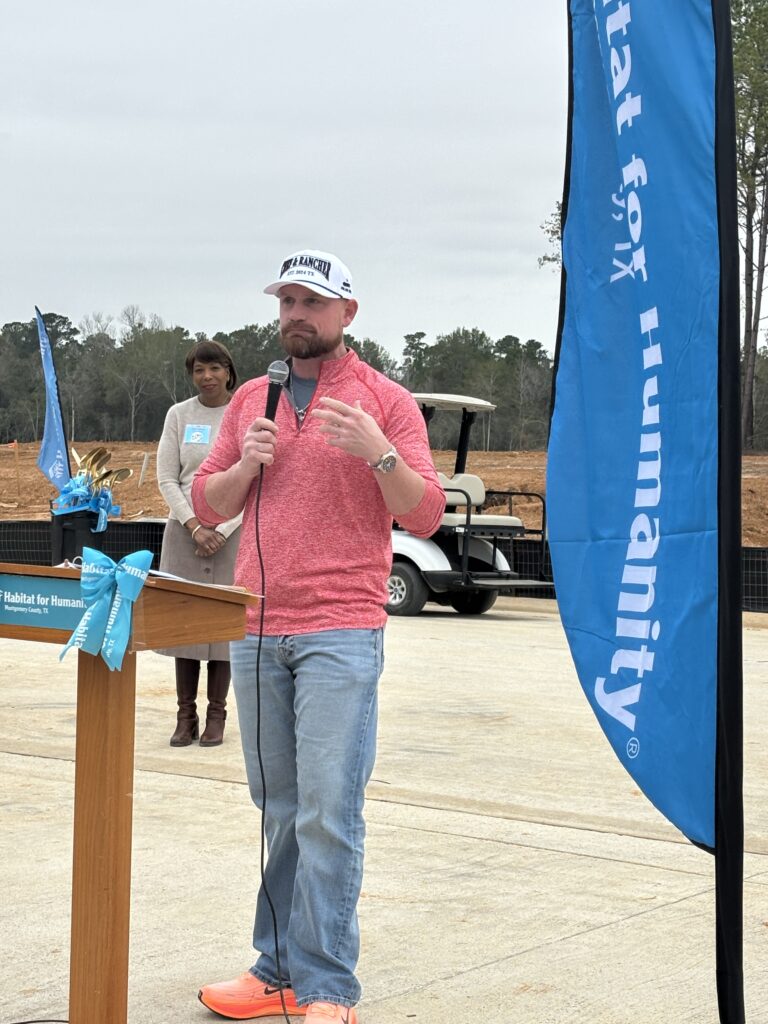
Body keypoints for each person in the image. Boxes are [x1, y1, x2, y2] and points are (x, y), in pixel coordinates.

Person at [191, 250, 446, 1024]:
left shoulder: (385, 400)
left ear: (347, 313)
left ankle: (329, 986)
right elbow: (207, 501)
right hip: (257, 623)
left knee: (329, 809)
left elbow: (426, 512)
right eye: (287, 301)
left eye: (312, 301)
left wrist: (380, 453)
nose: (296, 314)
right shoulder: (251, 401)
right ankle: (275, 972)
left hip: (341, 629)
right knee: (279, 807)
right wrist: (247, 470)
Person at [156, 339, 242, 747]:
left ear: (228, 371)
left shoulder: (245, 412)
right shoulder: (179, 415)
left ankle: (216, 715)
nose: (206, 377)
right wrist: (193, 524)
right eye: (198, 370)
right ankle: (185, 715)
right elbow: (167, 478)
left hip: (231, 534)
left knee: (222, 629)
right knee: (186, 628)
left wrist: (222, 529)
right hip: (185, 531)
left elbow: (255, 478)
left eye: (214, 369)